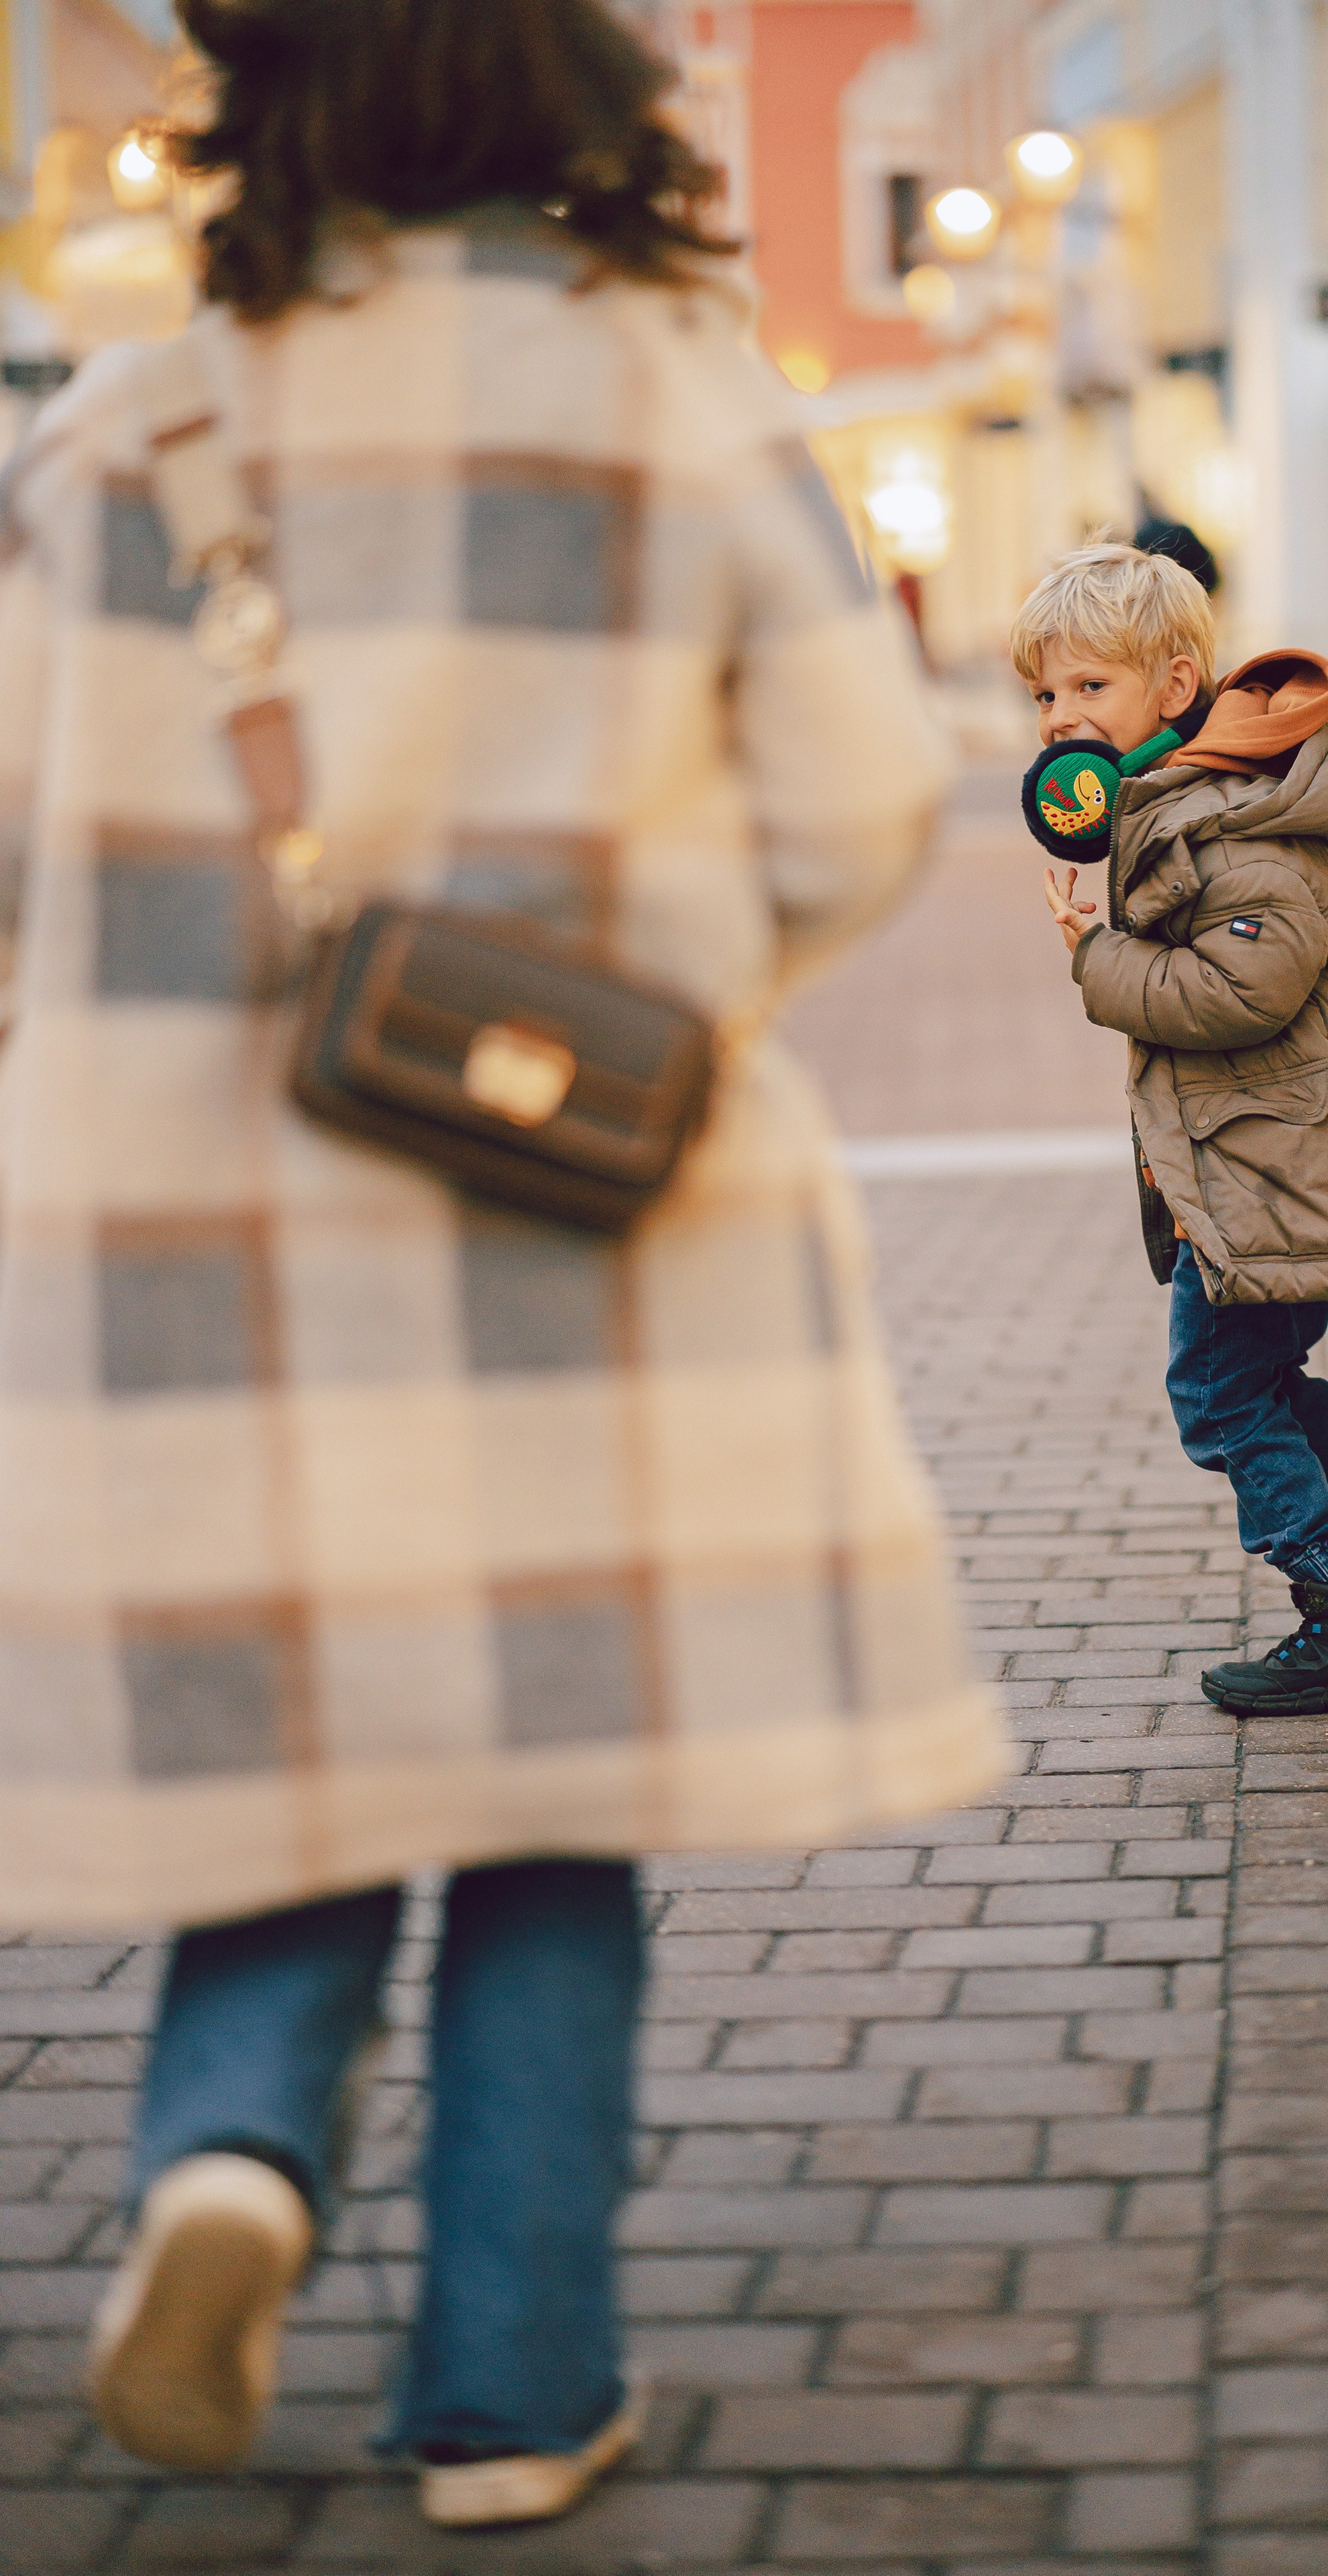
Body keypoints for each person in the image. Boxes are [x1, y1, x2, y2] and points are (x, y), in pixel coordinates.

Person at [0, 0, 1003, 2530]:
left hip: (192, 1259)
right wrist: (667, 997)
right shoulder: (674, 392)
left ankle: (231, 2158)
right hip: (583, 1216)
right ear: (567, 92)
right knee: (558, 1807)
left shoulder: (127, 421)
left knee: (297, 1757)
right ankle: (514, 2396)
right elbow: (867, 795)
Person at [1019, 544, 1328, 1715]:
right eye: (1045, 693)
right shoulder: (1190, 798)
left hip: (1284, 1157)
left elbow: (1245, 992)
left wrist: (1096, 956)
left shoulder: (1231, 820)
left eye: (1090, 687)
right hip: (1271, 1149)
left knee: (1221, 1392)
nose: (1059, 717)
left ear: (1176, 687)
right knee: (1264, 1374)